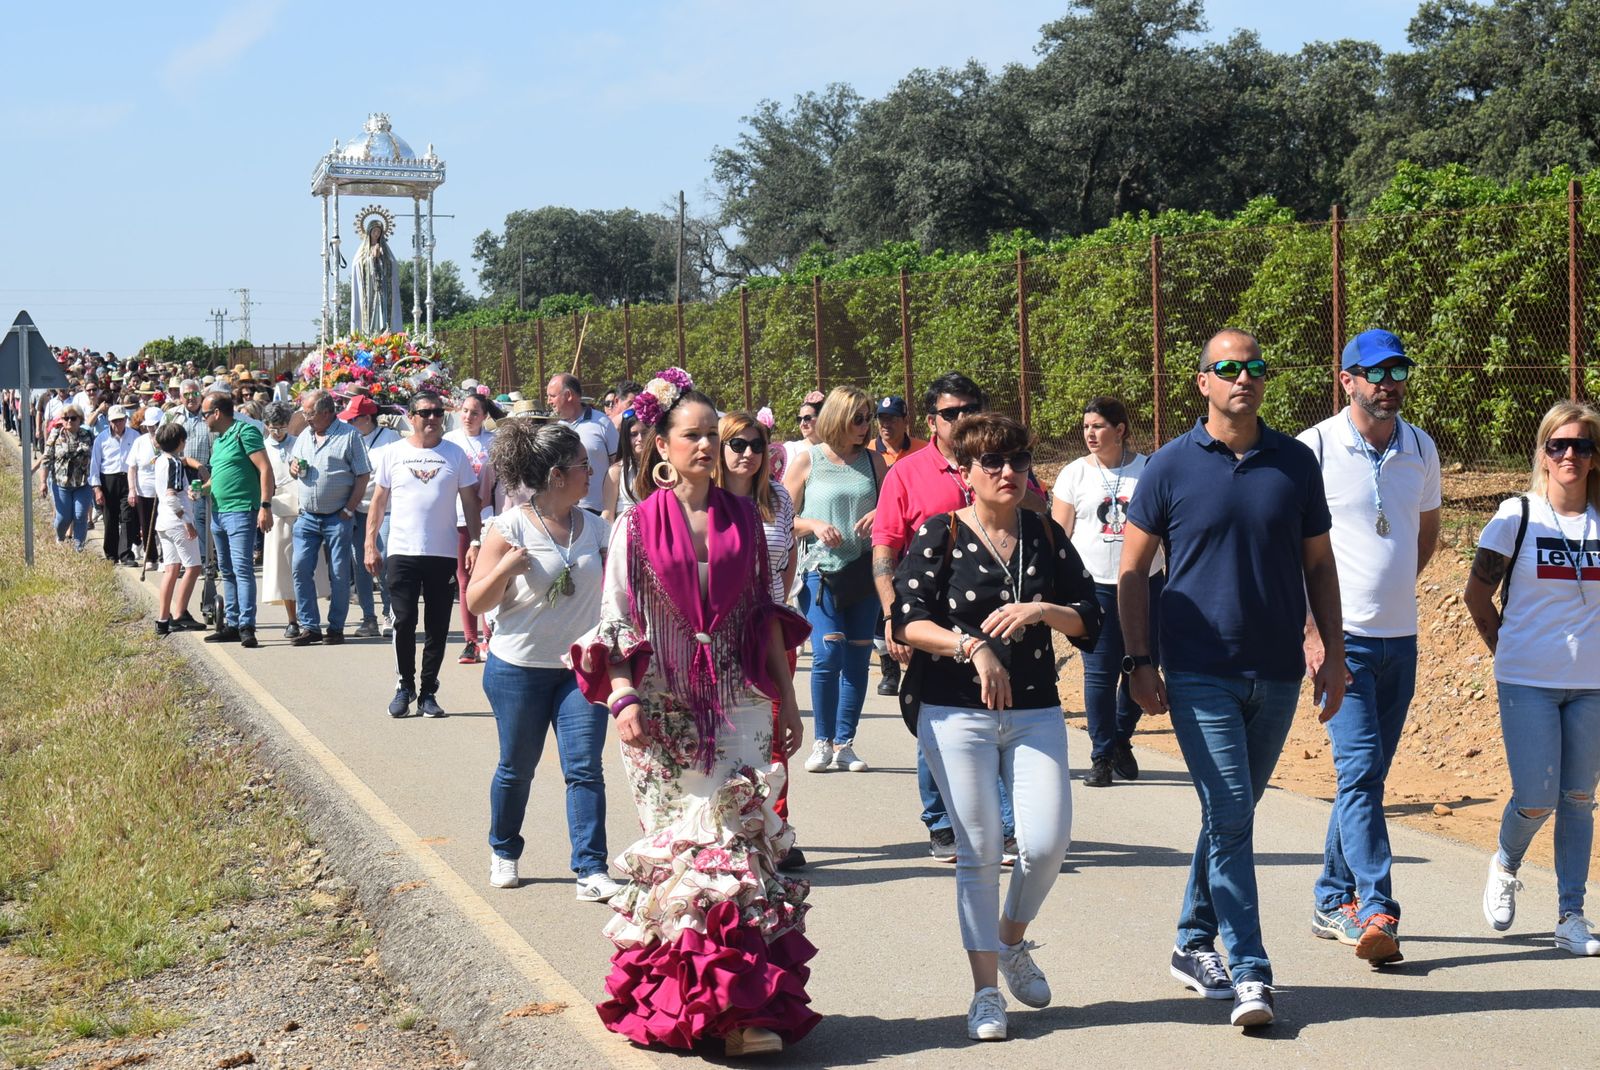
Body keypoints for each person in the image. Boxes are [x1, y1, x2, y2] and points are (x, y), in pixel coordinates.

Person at [569, 367, 815, 1056]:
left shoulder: (749, 516)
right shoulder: (638, 524)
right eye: (692, 436)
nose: (706, 446)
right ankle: (697, 1008)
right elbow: (617, 616)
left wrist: (787, 699)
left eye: (715, 435)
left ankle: (742, 1012)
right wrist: (620, 696)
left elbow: (767, 614)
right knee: (690, 860)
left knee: (740, 850)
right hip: (662, 709)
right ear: (662, 448)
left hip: (740, 701)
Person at [1119, 328, 1346, 1029]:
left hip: (1275, 670)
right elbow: (1132, 572)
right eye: (1227, 368)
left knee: (1231, 817)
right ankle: (1252, 971)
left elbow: (1319, 565)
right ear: (1203, 383)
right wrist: (1138, 658)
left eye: (1253, 368)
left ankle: (1192, 942)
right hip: (1196, 670)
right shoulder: (1168, 466)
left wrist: (1332, 652)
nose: (1242, 377)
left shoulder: (1295, 462)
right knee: (1231, 815)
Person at [895, 412, 1099, 1041]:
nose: (1007, 473)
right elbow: (908, 620)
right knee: (979, 851)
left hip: (1035, 707)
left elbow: (1090, 618)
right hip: (954, 709)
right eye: (992, 463)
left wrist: (1044, 609)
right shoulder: (941, 534)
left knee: (1045, 844)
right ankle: (986, 991)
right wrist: (970, 647)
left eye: (1016, 461)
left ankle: (1010, 939)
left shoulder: (1044, 534)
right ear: (965, 473)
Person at [1298, 329, 1440, 964]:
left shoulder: (1420, 447)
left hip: (1400, 638)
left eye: (1397, 370)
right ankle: (1377, 905)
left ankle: (1332, 897)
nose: (1388, 382)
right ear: (1346, 379)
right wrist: (1313, 632)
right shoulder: (1316, 448)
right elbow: (1291, 551)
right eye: (1373, 372)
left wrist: (1393, 591)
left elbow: (1425, 535)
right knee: (1357, 770)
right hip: (1341, 641)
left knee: (1368, 776)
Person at [1463, 400, 1600, 958]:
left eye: (1582, 447)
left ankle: (1571, 915)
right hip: (1527, 680)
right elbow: (1476, 595)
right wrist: (1506, 649)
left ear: (1595, 459)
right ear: (1542, 453)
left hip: (1591, 683)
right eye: (1559, 445)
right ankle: (1506, 861)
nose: (1570, 455)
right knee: (1538, 796)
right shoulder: (1516, 514)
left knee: (1578, 798)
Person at [466, 421, 619, 902]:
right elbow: (474, 601)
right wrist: (506, 568)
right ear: (557, 475)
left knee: (584, 769)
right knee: (517, 767)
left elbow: (623, 586)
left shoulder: (595, 526)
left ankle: (591, 870)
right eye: (582, 466)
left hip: (579, 671)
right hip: (518, 670)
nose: (590, 472)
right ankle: (504, 850)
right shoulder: (507, 527)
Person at [872, 373, 1020, 862]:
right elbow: (885, 551)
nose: (962, 418)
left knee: (996, 715)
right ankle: (942, 822)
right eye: (951, 412)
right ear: (932, 421)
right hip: (930, 619)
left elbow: (1033, 517)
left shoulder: (1004, 464)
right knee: (935, 718)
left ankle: (1001, 822)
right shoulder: (907, 473)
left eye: (970, 408)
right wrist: (896, 617)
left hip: (999, 619)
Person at [1051, 396, 1165, 787]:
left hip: (1147, 583)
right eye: (1086, 427)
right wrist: (1058, 584)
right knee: (1099, 671)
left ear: (1120, 429)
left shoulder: (1149, 469)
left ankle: (1122, 738)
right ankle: (1101, 755)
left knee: (1140, 661)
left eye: (1098, 426)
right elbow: (1059, 534)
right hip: (1094, 586)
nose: (1090, 433)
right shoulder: (1073, 474)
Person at [784, 385, 887, 775]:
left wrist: (880, 514)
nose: (865, 426)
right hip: (819, 572)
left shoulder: (875, 462)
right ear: (838, 417)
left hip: (863, 572)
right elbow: (783, 520)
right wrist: (813, 523)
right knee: (828, 653)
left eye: (868, 418)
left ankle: (846, 743)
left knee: (859, 657)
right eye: (858, 418)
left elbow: (895, 510)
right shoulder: (808, 461)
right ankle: (822, 741)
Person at [717, 409, 804, 868]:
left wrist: (775, 601)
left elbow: (786, 555)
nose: (748, 454)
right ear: (719, 448)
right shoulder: (705, 500)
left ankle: (776, 828)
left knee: (775, 731)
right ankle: (728, 829)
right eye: (738, 445)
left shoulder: (777, 497)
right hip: (719, 634)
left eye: (757, 446)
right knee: (727, 734)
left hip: (769, 627)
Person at [365, 392, 482, 719]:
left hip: (442, 553)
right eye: (425, 413)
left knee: (438, 626)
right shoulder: (393, 453)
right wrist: (370, 543)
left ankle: (428, 691)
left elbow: (471, 503)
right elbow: (377, 501)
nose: (432, 419)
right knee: (404, 621)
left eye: (438, 413)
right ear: (411, 418)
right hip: (402, 551)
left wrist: (476, 542)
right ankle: (405, 686)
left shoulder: (455, 454)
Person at [286, 389, 370, 646]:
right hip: (308, 517)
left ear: (326, 412)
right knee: (300, 567)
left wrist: (348, 509)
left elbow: (362, 474)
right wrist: (293, 468)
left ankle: (335, 628)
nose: (305, 418)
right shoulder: (304, 435)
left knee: (339, 574)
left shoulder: (349, 436)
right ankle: (310, 626)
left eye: (309, 413)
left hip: (338, 517)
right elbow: (293, 465)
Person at [201, 393, 275, 649]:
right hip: (219, 514)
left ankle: (247, 625)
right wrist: (203, 488)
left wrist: (265, 507)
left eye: (205, 414)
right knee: (228, 570)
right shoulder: (220, 440)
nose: (204, 419)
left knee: (242, 570)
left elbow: (265, 468)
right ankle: (231, 623)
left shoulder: (245, 432)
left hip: (241, 511)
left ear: (217, 413)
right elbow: (219, 476)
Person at [867, 394, 930, 695]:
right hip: (884, 539)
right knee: (884, 608)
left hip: (915, 543)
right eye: (881, 419)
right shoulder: (869, 453)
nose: (885, 425)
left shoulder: (922, 451)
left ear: (906, 421)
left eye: (892, 418)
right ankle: (888, 670)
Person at [260, 402, 325, 639]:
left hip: (302, 509)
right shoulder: (262, 448)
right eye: (273, 427)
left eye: (282, 427)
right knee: (283, 569)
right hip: (277, 511)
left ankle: (310, 616)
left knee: (305, 566)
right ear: (266, 426)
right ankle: (292, 619)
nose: (278, 432)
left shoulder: (298, 443)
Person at [446, 393, 500, 664]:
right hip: (458, 517)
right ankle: (470, 641)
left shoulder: (494, 442)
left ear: (485, 417)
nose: (468, 417)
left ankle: (490, 637)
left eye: (474, 413)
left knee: (488, 574)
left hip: (488, 517)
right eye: (465, 411)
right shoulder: (450, 442)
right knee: (464, 578)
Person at [342, 395, 401, 637]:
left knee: (383, 561)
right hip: (357, 509)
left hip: (386, 509)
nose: (348, 424)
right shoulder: (347, 437)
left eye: (353, 419)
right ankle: (369, 618)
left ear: (367, 418)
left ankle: (390, 613)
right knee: (361, 564)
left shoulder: (391, 440)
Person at [151, 421, 203, 636]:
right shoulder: (174, 464)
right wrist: (187, 522)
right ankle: (179, 613)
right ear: (180, 442)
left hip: (163, 521)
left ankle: (163, 619)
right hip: (176, 521)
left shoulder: (160, 461)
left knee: (171, 569)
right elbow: (172, 498)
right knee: (193, 567)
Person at [545, 374, 618, 513]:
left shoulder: (602, 422)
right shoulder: (555, 428)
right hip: (564, 511)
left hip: (599, 510)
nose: (549, 401)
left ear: (568, 395)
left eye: (552, 396)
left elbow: (618, 464)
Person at [36, 406, 95, 549]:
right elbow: (46, 459)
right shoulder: (55, 435)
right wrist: (43, 482)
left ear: (79, 419)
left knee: (80, 516)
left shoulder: (87, 434)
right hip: (61, 484)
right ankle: (60, 537)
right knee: (63, 519)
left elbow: (96, 457)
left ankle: (78, 547)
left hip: (83, 483)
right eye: (66, 418)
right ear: (61, 420)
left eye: (73, 418)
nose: (69, 421)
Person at [89, 404, 140, 563]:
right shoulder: (102, 438)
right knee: (110, 519)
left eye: (120, 420)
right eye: (114, 421)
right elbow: (95, 465)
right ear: (109, 421)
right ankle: (111, 554)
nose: (117, 424)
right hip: (108, 480)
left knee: (127, 517)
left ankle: (125, 554)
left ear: (125, 419)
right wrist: (97, 489)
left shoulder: (135, 436)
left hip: (128, 479)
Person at [127, 406, 164, 569]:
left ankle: (166, 558)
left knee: (164, 525)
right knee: (147, 524)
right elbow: (132, 467)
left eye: (155, 425)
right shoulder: (139, 441)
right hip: (144, 490)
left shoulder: (168, 440)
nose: (152, 429)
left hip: (164, 489)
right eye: (149, 426)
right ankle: (151, 558)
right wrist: (132, 489)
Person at [352, 216, 402, 334]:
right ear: (369, 232)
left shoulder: (385, 250)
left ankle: (385, 332)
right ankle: (369, 334)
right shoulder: (363, 251)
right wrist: (371, 258)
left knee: (384, 311)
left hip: (382, 288)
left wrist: (382, 258)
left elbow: (392, 264)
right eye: (374, 231)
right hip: (369, 290)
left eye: (378, 232)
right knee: (370, 312)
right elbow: (357, 265)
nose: (376, 234)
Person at [601, 410, 646, 523]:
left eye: (645, 432)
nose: (640, 438)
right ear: (625, 438)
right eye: (633, 434)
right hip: (626, 536)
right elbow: (608, 514)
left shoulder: (662, 468)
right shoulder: (616, 471)